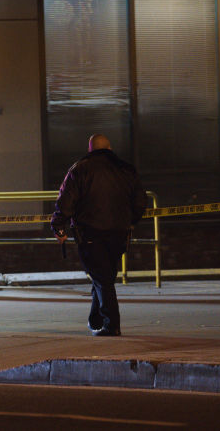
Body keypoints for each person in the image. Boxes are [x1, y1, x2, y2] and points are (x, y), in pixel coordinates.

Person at [51, 134, 148, 336]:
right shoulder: (127, 169)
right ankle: (96, 319)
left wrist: (59, 228)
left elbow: (65, 202)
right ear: (110, 148)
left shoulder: (79, 169)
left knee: (102, 278)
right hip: (119, 234)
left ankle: (111, 325)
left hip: (90, 233)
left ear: (90, 149)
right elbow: (140, 203)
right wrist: (129, 221)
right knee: (104, 277)